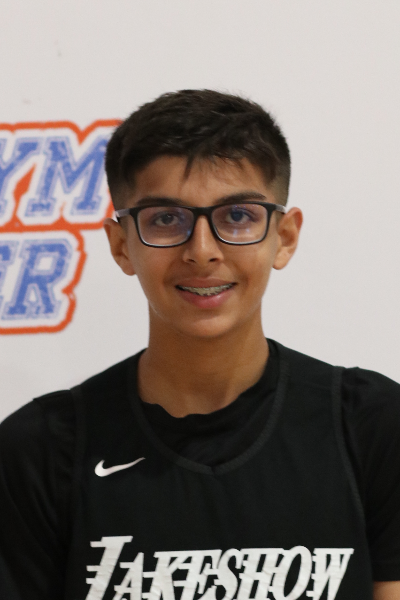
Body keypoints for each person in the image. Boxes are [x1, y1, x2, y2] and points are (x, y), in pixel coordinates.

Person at [0, 90, 399, 600]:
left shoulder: (371, 425)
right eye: (166, 219)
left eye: (238, 216)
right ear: (122, 245)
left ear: (284, 237)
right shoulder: (40, 451)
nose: (203, 251)